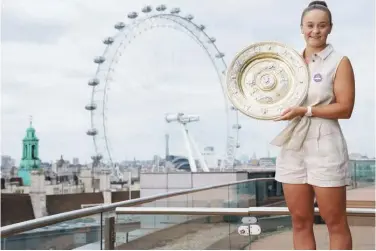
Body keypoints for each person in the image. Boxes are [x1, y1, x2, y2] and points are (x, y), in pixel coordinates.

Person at [271, 1, 355, 250]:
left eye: (322, 25)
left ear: (330, 28)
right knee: (299, 221)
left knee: (335, 222)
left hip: (326, 144)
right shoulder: (288, 63)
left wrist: (306, 110)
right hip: (293, 146)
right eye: (310, 25)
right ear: (301, 28)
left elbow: (345, 108)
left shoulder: (340, 61)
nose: (315, 31)